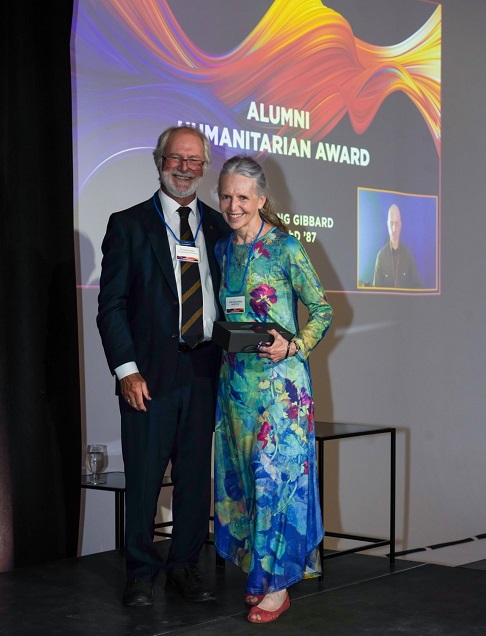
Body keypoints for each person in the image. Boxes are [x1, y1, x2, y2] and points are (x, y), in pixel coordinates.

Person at [97, 125, 229, 607]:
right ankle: (139, 572)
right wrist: (126, 370)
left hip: (204, 370)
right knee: (146, 476)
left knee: (195, 478)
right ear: (159, 161)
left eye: (194, 161)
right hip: (148, 375)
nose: (185, 168)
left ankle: (184, 568)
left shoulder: (218, 227)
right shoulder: (129, 224)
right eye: (177, 158)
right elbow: (111, 306)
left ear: (204, 167)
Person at [213, 156, 333, 624]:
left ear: (261, 199)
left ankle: (278, 585)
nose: (233, 205)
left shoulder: (285, 247)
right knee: (245, 480)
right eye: (226, 196)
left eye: (243, 197)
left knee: (277, 481)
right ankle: (260, 574)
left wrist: (294, 345)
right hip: (237, 388)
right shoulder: (224, 250)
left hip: (283, 391)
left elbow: (322, 311)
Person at [373, 204, 422, 288]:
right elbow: (376, 293)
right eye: (391, 223)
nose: (394, 228)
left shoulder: (408, 256)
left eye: (396, 223)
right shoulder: (380, 257)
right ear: (387, 224)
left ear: (400, 225)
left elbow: (419, 288)